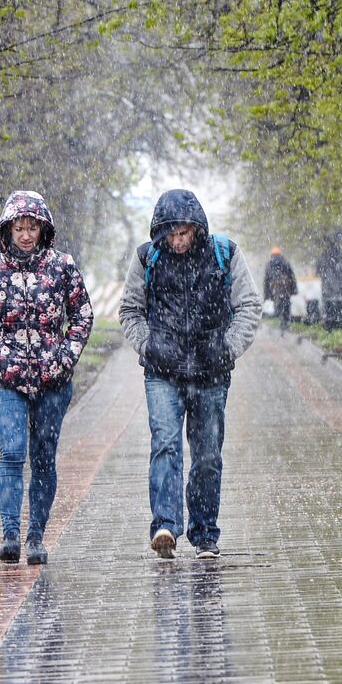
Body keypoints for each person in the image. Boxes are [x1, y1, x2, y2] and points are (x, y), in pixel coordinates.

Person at [119, 189, 261, 559]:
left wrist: (228, 348)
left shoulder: (223, 255)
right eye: (172, 234)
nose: (178, 241)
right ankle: (165, 524)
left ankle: (204, 533)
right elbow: (130, 309)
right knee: (165, 445)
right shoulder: (146, 258)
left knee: (207, 455)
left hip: (211, 372)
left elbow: (248, 305)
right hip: (162, 372)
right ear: (161, 232)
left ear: (197, 229)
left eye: (184, 233)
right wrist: (148, 347)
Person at [0, 190, 93, 566]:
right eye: (19, 227)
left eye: (32, 227)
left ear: (43, 228)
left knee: (43, 457)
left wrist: (65, 359)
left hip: (53, 381)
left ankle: (36, 535)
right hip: (6, 379)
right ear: (7, 230)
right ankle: (10, 533)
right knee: (11, 452)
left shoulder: (62, 266)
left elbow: (82, 315)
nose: (25, 234)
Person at [262, 246, 297, 331]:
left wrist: (266, 294)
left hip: (275, 288)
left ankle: (280, 318)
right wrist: (294, 290)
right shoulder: (286, 263)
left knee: (278, 304)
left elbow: (266, 280)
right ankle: (285, 322)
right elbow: (292, 276)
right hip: (286, 288)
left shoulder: (269, 264)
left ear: (272, 255)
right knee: (286, 305)